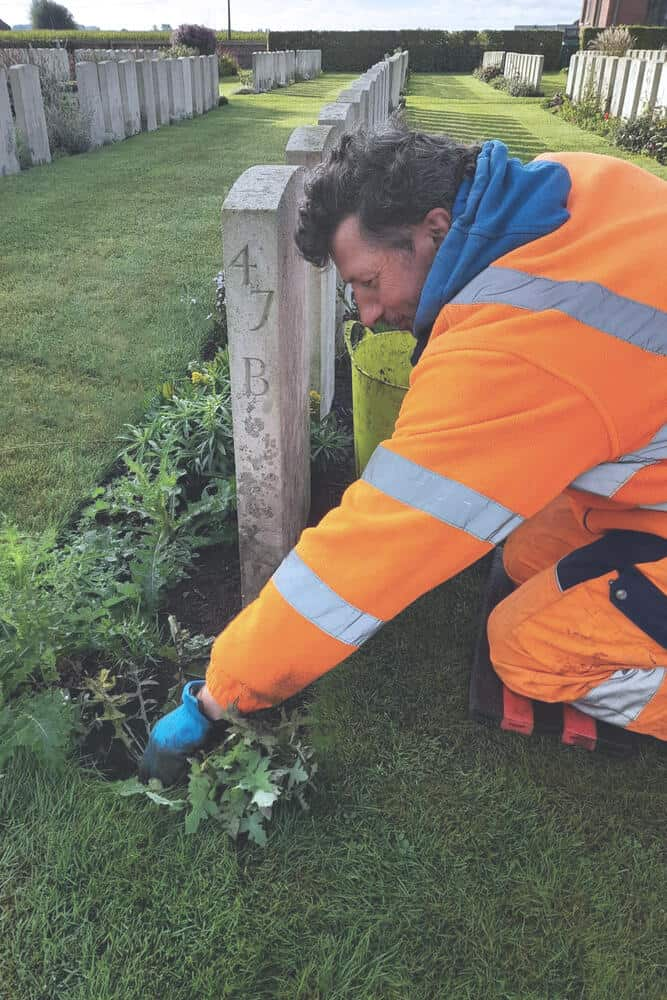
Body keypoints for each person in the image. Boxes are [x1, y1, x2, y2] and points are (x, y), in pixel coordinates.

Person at [140, 125, 667, 783]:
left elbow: (373, 549)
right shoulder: (568, 183)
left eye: (366, 281)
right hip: (646, 487)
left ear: (435, 229)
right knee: (528, 553)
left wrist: (222, 689)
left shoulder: (519, 351)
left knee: (526, 653)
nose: (364, 314)